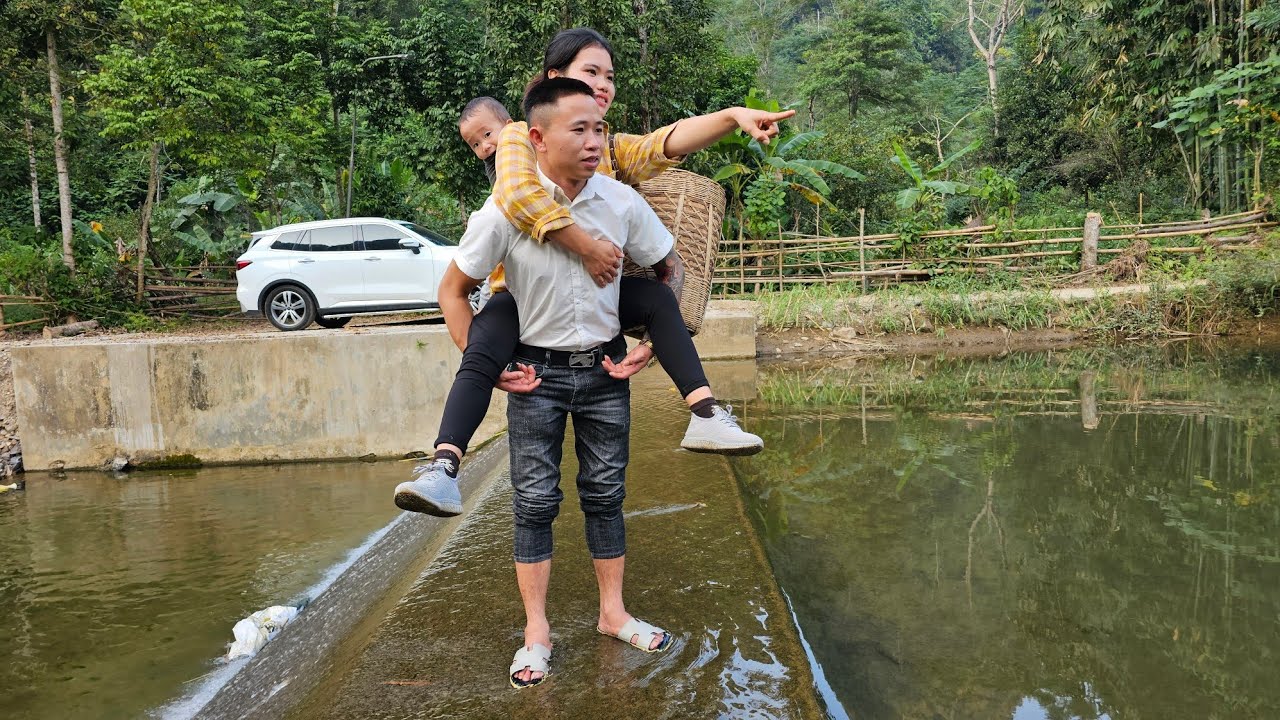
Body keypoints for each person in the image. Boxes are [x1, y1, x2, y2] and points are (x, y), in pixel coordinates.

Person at [394, 27, 793, 517]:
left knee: (656, 301)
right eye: (590, 73)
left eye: (609, 76)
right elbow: (517, 194)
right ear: (554, 79)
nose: (603, 84)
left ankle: (706, 413)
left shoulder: (608, 148)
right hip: (525, 295)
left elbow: (664, 143)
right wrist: (587, 248)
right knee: (482, 347)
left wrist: (732, 117)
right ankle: (444, 465)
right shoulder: (521, 135)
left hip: (596, 294)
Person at [440, 77, 684, 687]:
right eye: (580, 130)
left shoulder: (621, 203)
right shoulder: (504, 208)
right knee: (534, 503)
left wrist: (655, 340)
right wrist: (490, 368)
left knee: (606, 496)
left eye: (600, 128)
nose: (595, 140)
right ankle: (536, 632)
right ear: (538, 139)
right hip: (537, 376)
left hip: (604, 371)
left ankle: (612, 613)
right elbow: (453, 290)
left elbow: (668, 271)